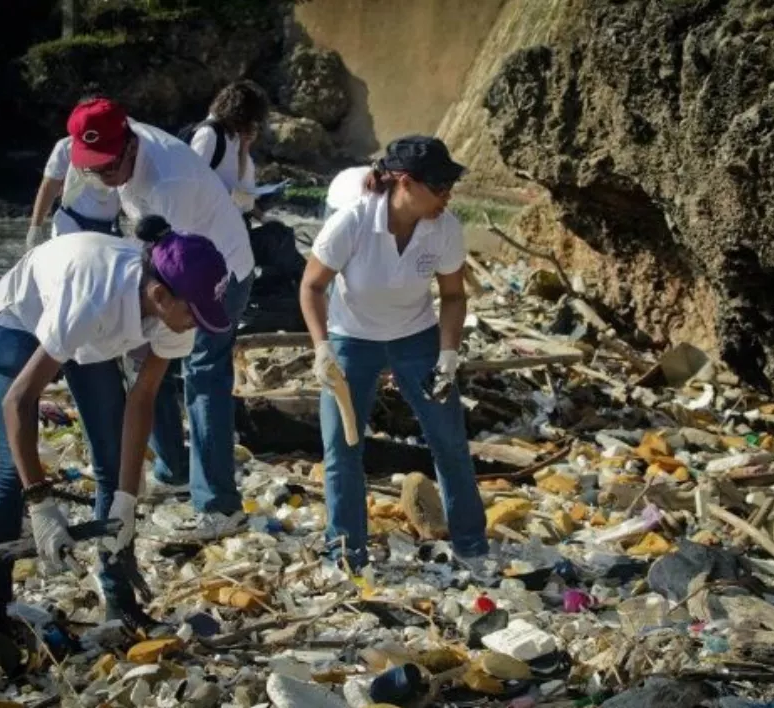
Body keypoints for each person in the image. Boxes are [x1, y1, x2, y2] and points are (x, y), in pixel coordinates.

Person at [0, 215, 230, 630]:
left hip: (93, 335)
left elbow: (142, 398)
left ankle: (119, 600)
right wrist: (41, 503)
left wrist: (127, 500)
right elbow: (18, 401)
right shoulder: (92, 296)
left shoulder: (178, 312)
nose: (197, 324)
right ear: (160, 295)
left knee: (112, 466)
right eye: (195, 313)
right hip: (24, 314)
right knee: (12, 468)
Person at [299, 135, 489, 570]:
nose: (447, 195)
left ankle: (472, 544)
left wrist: (447, 355)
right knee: (342, 447)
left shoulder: (445, 228)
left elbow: (454, 296)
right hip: (352, 339)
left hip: (416, 338)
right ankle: (346, 551)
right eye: (439, 186)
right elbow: (311, 285)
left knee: (449, 440)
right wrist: (322, 348)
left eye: (449, 186)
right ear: (404, 182)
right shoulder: (354, 221)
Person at [65, 97, 255, 530]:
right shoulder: (110, 136)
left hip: (217, 272)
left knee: (203, 376)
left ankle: (219, 507)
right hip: (171, 265)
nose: (103, 176)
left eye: (110, 167)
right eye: (93, 167)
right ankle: (172, 469)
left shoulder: (168, 183)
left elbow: (170, 268)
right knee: (149, 365)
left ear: (130, 145)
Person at [191, 80, 305, 299]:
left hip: (234, 227)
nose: (254, 126)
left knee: (280, 235)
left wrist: (244, 149)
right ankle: (309, 292)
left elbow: (241, 186)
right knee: (279, 243)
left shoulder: (233, 138)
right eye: (252, 119)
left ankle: (298, 293)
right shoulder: (209, 136)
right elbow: (192, 185)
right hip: (215, 237)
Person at [25, 99, 122, 249]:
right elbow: (49, 187)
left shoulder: (123, 150)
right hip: (71, 221)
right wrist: (35, 227)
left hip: (109, 225)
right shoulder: (65, 147)